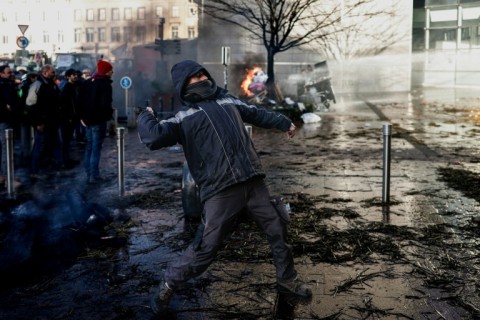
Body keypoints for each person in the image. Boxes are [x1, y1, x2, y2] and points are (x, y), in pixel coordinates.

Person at [137, 60, 311, 316]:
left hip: (254, 182)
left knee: (278, 228)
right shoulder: (182, 118)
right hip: (220, 192)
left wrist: (284, 122)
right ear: (184, 86)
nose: (200, 80)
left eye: (201, 75)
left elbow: (257, 114)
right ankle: (168, 284)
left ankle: (288, 280)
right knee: (206, 249)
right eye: (193, 78)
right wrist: (145, 114)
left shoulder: (229, 101)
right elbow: (152, 137)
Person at [78, 60, 114, 184]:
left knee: (89, 146)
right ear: (105, 71)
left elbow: (80, 101)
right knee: (96, 147)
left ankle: (88, 172)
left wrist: (82, 118)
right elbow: (105, 104)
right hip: (98, 121)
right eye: (110, 70)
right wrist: (108, 116)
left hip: (87, 121)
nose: (112, 72)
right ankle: (94, 175)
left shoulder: (88, 83)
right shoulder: (104, 85)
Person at [26, 64, 63, 177]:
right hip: (43, 122)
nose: (54, 73)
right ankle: (34, 171)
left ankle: (58, 167)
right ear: (45, 72)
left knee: (56, 144)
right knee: (39, 146)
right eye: (52, 72)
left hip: (52, 121)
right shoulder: (38, 85)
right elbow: (30, 105)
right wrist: (38, 122)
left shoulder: (51, 84)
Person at [0, 65, 21, 185]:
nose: (11, 74)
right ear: (1, 74)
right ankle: (7, 178)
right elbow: (10, 102)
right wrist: (8, 109)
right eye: (8, 72)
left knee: (4, 148)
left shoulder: (8, 84)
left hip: (6, 119)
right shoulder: (4, 85)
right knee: (6, 149)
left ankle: (3, 175)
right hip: (5, 120)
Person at [59, 68, 80, 167]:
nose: (75, 76)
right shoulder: (67, 87)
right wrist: (68, 116)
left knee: (68, 139)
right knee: (65, 139)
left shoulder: (75, 86)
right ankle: (64, 160)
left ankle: (67, 159)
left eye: (75, 74)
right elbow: (64, 104)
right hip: (67, 118)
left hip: (73, 117)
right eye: (73, 74)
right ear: (68, 77)